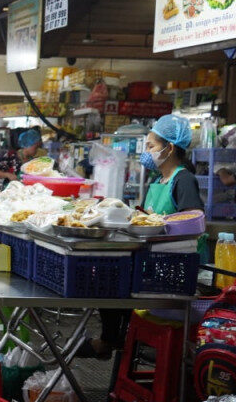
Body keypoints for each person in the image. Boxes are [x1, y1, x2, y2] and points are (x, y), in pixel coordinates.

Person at [79, 114, 203, 360]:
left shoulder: (184, 179)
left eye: (151, 146)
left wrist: (159, 224)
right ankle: (115, 339)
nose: (146, 152)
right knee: (109, 274)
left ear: (169, 148)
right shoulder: (159, 180)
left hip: (176, 266)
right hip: (154, 257)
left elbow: (193, 220)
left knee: (116, 283)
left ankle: (111, 342)